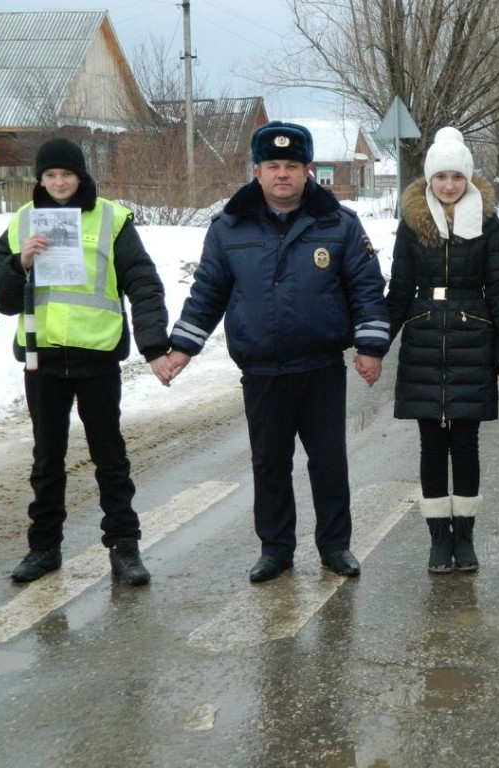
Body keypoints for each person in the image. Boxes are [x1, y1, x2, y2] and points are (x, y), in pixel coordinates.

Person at [167, 121, 389, 583]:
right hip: (263, 369)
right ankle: (275, 549)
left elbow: (366, 288)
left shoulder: (339, 224)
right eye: (273, 166)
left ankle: (335, 546)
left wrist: (369, 347)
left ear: (308, 170)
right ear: (257, 171)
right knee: (269, 463)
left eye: (292, 165)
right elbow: (208, 292)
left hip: (321, 366)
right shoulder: (230, 227)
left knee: (328, 461)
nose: (282, 174)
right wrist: (182, 347)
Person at [0, 137, 171, 585]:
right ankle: (44, 548)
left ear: (81, 176)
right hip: (42, 359)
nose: (58, 183)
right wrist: (20, 264)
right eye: (50, 175)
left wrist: (154, 346)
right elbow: (0, 298)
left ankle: (124, 547)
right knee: (46, 459)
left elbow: (143, 284)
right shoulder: (22, 223)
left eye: (66, 175)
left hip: (97, 357)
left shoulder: (112, 219)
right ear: (40, 179)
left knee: (110, 457)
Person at [386, 127, 499, 574]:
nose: (449, 185)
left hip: (472, 338)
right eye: (441, 176)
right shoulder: (412, 223)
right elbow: (399, 289)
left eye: (456, 176)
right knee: (432, 444)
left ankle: (464, 538)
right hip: (425, 339)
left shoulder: (485, 222)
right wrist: (374, 345)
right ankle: (437, 540)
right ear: (429, 178)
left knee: (465, 444)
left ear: (468, 177)